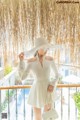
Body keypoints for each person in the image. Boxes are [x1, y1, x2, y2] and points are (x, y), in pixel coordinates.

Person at [18, 37, 60, 120]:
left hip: (48, 89)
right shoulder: (31, 61)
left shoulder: (50, 59)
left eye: (46, 47)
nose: (45, 49)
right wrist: (21, 61)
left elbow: (57, 75)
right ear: (37, 49)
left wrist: (52, 84)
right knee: (38, 118)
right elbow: (22, 77)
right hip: (36, 90)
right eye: (43, 47)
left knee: (48, 117)